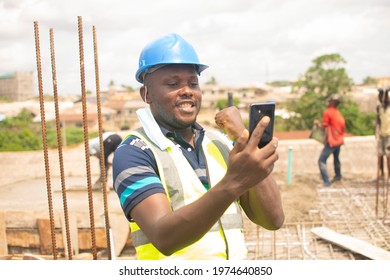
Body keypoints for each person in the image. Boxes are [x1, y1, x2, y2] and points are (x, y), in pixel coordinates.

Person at [112, 33, 284, 260]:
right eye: (173, 84)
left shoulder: (221, 143)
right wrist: (235, 181)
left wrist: (244, 138)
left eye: (193, 83)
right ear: (147, 94)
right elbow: (164, 237)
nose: (187, 90)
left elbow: (273, 220)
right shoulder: (134, 151)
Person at [315, 94, 346, 187]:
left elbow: (324, 127)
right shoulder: (338, 113)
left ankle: (326, 182)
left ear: (332, 102)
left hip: (332, 141)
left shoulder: (328, 112)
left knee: (321, 160)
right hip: (339, 140)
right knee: (336, 159)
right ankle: (337, 176)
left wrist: (317, 124)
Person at [376, 88, 390, 178]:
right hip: (381, 134)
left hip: (389, 135)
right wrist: (377, 133)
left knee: (389, 155)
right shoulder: (379, 108)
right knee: (380, 155)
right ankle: (381, 174)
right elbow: (378, 121)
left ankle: (389, 174)